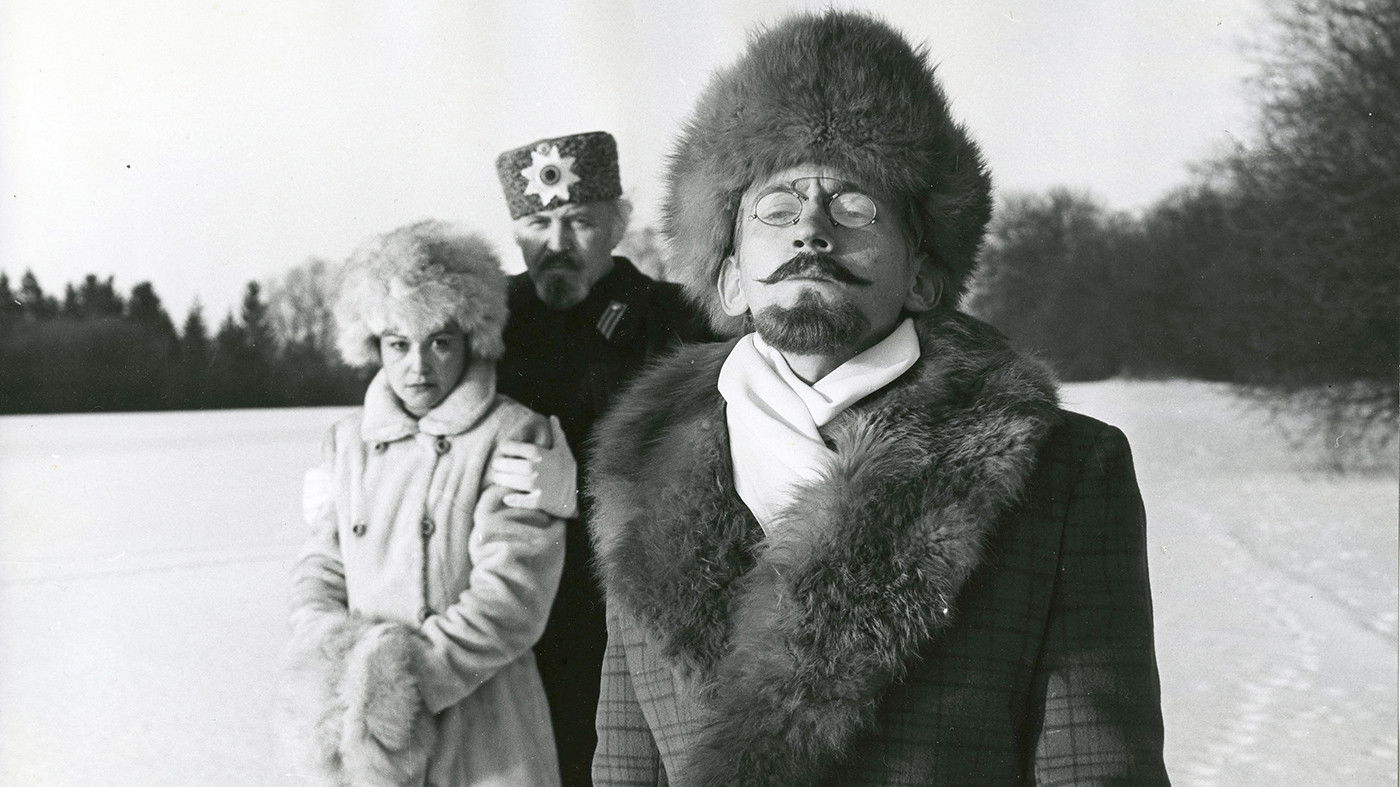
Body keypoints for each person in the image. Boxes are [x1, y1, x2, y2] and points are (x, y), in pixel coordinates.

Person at [587, 12, 1169, 785]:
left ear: (923, 274)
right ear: (729, 278)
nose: (812, 230)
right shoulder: (640, 469)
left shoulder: (1063, 472)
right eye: (775, 207)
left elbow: (1097, 768)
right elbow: (625, 769)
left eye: (855, 205)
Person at [275, 220, 569, 786]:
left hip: (482, 726)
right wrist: (332, 659)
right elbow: (322, 564)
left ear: (471, 339)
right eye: (398, 344)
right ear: (374, 346)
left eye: (439, 341)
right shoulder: (348, 442)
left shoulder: (511, 433)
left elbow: (513, 596)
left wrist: (406, 686)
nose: (418, 365)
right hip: (366, 736)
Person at [491, 130, 711, 785]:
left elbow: (708, 480)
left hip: (625, 627)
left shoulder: (675, 321)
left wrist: (581, 492)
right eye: (537, 224)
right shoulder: (488, 319)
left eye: (579, 221)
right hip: (509, 624)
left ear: (619, 222)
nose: (556, 243)